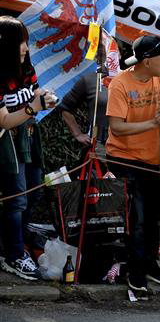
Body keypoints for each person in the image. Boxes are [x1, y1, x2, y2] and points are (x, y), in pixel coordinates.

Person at [105, 34, 160, 293]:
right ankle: (135, 273)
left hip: (150, 158)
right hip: (122, 158)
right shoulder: (120, 84)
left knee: (154, 214)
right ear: (146, 61)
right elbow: (117, 127)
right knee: (137, 216)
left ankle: (150, 264)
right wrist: (152, 123)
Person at [0, 16, 58, 280]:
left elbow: (34, 93)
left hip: (28, 137)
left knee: (35, 191)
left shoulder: (26, 67)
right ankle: (13, 255)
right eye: (21, 42)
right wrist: (34, 107)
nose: (26, 47)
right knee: (17, 199)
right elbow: (4, 120)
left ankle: (16, 243)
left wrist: (44, 97)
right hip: (6, 143)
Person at [58, 69, 110, 151]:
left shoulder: (133, 76)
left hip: (134, 148)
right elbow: (65, 107)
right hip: (100, 150)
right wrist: (78, 134)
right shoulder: (91, 79)